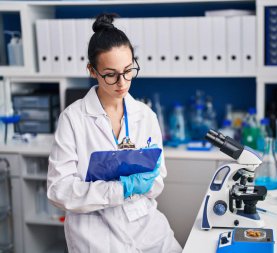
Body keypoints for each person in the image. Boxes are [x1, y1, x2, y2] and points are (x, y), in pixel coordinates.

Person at [47, 13, 182, 253]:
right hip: (95, 234)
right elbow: (59, 191)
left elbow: (158, 178)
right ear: (92, 71)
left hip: (147, 227)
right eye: (110, 74)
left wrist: (146, 184)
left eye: (128, 71)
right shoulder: (74, 118)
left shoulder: (145, 115)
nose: (122, 82)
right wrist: (122, 189)